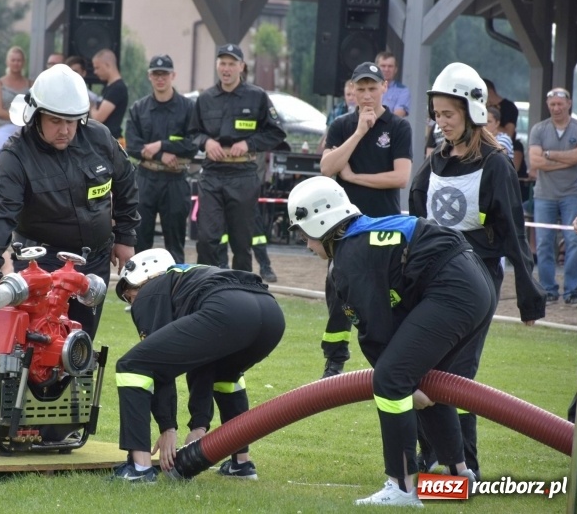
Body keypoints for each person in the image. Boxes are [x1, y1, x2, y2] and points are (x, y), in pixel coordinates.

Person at [288, 176, 492, 506]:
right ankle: (458, 475)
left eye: (303, 233)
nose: (305, 243)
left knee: (391, 379)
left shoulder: (351, 255)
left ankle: (401, 486)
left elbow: (374, 333)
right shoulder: (366, 234)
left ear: (320, 222)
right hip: (474, 280)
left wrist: (398, 382)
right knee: (425, 379)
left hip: (453, 287)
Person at [409, 62, 546, 479]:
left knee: (458, 374)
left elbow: (513, 235)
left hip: (477, 281)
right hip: (435, 279)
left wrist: (529, 300)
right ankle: (430, 457)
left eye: (448, 114)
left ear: (472, 112)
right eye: (436, 114)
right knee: (422, 368)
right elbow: (417, 217)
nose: (441, 122)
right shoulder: (435, 161)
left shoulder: (497, 165)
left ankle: (464, 464)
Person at [0, 64, 139, 340]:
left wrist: (125, 237)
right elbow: (0, 210)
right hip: (41, 261)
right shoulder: (15, 156)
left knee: (80, 340)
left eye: (71, 121)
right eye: (56, 121)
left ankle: (78, 381)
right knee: (40, 342)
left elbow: (126, 182)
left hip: (93, 260)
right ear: (36, 115)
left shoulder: (99, 138)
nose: (65, 130)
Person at [111, 248, 285, 482]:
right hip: (270, 313)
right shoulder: (188, 278)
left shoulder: (152, 290)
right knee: (226, 375)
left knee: (132, 365)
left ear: (144, 276)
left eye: (129, 293)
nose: (132, 301)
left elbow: (157, 366)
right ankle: (241, 464)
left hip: (227, 308)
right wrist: (199, 427)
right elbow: (201, 363)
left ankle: (139, 469)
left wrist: (167, 428)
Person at [317, 61, 412, 378]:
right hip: (345, 228)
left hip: (385, 226)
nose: (367, 94)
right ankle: (334, 361)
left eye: (373, 87)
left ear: (385, 88)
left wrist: (355, 177)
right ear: (353, 90)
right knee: (339, 294)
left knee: (391, 295)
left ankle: (395, 360)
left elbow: (401, 177)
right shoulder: (343, 125)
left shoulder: (398, 128)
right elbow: (327, 168)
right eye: (361, 88)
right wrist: (359, 132)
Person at [188, 43, 286, 273]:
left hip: (243, 175)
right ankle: (206, 285)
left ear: (241, 67)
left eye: (232, 63)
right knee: (207, 238)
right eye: (222, 63)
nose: (227, 68)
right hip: (212, 174)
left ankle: (241, 289)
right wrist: (207, 142)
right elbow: (192, 133)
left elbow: (277, 132)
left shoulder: (257, 96)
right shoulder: (205, 99)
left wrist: (249, 143)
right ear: (216, 66)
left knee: (241, 243)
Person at [125, 54, 196, 264]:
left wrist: (161, 145)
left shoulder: (187, 108)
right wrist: (161, 154)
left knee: (175, 242)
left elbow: (193, 144)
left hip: (175, 180)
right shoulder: (139, 109)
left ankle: (176, 289)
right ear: (149, 76)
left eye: (164, 74)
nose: (160, 78)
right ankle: (139, 290)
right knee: (140, 239)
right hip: (146, 178)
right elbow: (133, 146)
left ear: (173, 75)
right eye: (156, 74)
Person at [528, 87, 577, 304]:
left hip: (573, 194)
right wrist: (569, 159)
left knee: (575, 241)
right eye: (552, 105)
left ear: (569, 104)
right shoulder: (539, 129)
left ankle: (572, 291)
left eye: (560, 104)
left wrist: (548, 154)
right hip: (544, 195)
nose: (556, 108)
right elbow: (535, 162)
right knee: (543, 243)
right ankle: (548, 290)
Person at [0, 46, 31, 156]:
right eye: (13, 60)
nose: (16, 63)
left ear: (23, 62)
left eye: (19, 60)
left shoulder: (31, 84)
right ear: (7, 62)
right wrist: (20, 117)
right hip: (4, 126)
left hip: (25, 128)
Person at [90, 49, 128, 140]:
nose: (95, 72)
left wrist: (90, 105)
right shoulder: (109, 87)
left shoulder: (117, 89)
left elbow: (98, 118)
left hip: (110, 143)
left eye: (97, 68)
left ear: (107, 65)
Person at [375, 51, 410, 118]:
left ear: (395, 69)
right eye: (383, 66)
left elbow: (397, 116)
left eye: (390, 66)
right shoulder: (368, 88)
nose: (386, 69)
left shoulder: (403, 91)